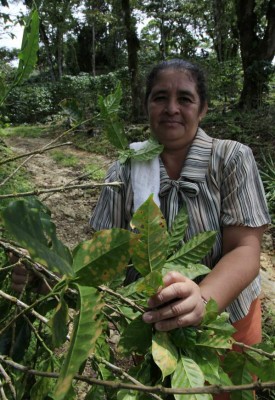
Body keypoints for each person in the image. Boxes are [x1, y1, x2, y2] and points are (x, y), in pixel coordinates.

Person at [90, 59, 270, 349]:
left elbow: (245, 248)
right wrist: (49, 273)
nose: (171, 108)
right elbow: (102, 253)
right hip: (154, 327)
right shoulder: (123, 170)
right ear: (147, 105)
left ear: (203, 108)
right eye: (160, 97)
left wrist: (201, 300)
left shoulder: (231, 159)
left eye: (185, 98)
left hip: (225, 325)